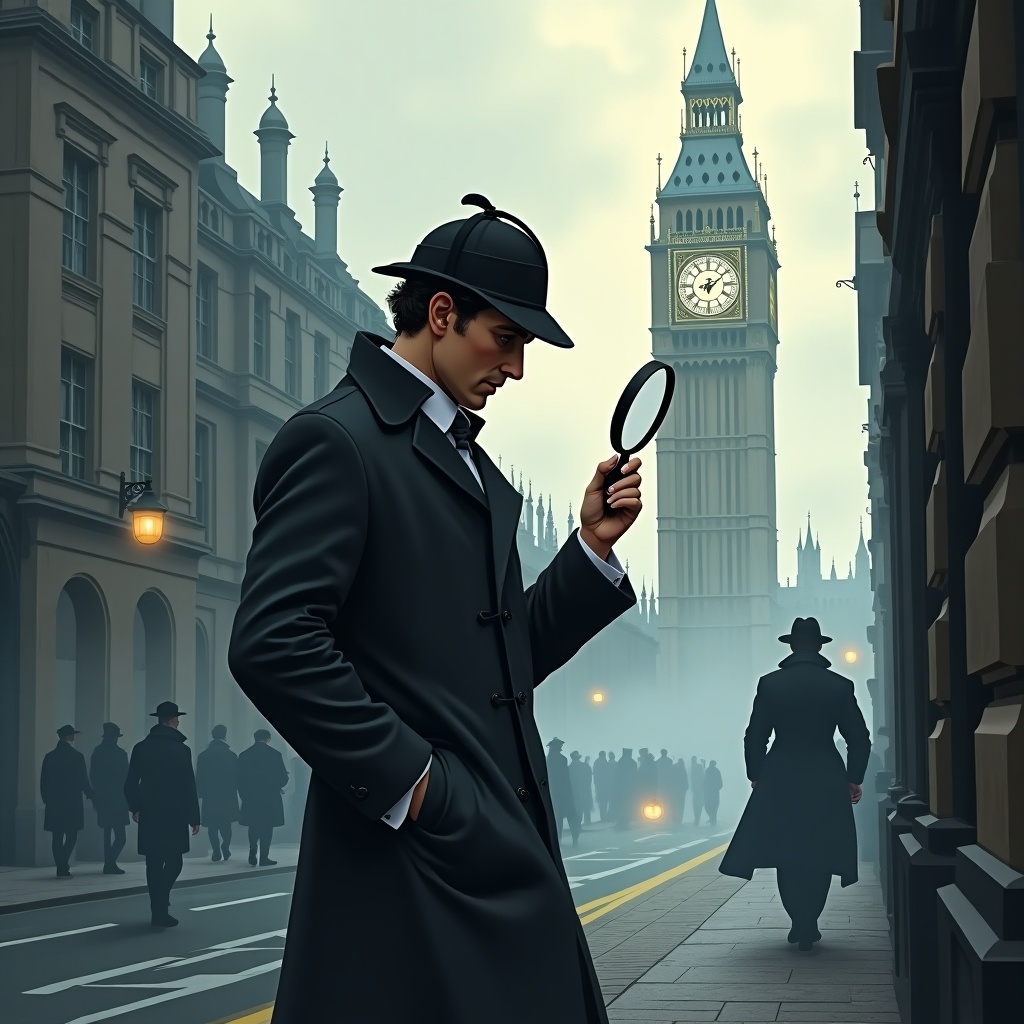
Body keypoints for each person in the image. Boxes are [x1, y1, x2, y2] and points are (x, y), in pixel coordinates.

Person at [228, 193, 643, 1024]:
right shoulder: (337, 442)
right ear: (442, 314)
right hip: (412, 858)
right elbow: (273, 640)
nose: (517, 368)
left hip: (491, 845)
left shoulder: (472, 471)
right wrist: (416, 785)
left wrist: (590, 551)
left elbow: (500, 656)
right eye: (507, 338)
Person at [719, 617, 871, 951]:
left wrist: (757, 775)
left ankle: (797, 922)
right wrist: (853, 779)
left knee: (788, 851)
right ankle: (810, 921)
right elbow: (859, 739)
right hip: (825, 777)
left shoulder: (771, 684)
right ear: (819, 646)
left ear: (791, 646)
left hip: (781, 776)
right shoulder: (839, 685)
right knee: (818, 850)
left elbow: (754, 736)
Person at [124, 701, 200, 928]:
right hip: (175, 814)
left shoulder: (141, 748)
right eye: (177, 718)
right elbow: (189, 786)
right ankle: (161, 904)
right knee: (175, 861)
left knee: (153, 863)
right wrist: (193, 817)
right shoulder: (182, 750)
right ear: (172, 720)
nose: (178, 721)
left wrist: (135, 807)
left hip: (150, 813)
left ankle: (158, 910)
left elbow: (129, 783)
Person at [40, 725, 92, 878]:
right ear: (70, 737)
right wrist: (91, 794)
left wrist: (46, 799)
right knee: (71, 835)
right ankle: (63, 863)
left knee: (57, 835)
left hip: (54, 803)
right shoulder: (77, 756)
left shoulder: (49, 756)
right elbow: (83, 780)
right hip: (72, 803)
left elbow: (44, 781)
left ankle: (60, 866)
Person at [237, 728, 289, 866]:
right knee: (267, 826)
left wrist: (244, 796)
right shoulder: (275, 754)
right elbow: (283, 777)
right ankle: (264, 857)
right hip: (270, 797)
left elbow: (239, 779)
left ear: (255, 738)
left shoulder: (244, 755)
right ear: (268, 739)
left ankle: (253, 849)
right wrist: (277, 785)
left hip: (251, 797)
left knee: (253, 825)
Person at [89, 722, 130, 874]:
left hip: (104, 799)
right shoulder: (121, 754)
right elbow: (127, 778)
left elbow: (93, 776)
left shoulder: (98, 752)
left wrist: (96, 796)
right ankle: (110, 862)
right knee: (120, 836)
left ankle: (109, 863)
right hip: (119, 799)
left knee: (107, 833)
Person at [195, 724, 239, 862]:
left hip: (210, 795)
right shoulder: (231, 755)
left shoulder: (203, 756)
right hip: (227, 796)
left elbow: (199, 777)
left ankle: (216, 852)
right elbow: (237, 776)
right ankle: (225, 847)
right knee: (226, 824)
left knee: (212, 826)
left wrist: (201, 794)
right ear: (225, 735)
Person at [613, 748, 638, 831]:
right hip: (630, 789)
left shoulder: (620, 762)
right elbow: (635, 776)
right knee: (628, 806)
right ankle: (625, 823)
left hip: (620, 789)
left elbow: (616, 776)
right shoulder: (632, 763)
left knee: (621, 806)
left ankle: (621, 822)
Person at [655, 748, 674, 825]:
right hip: (668, 784)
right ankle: (668, 817)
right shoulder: (669, 761)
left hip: (661, 783)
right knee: (668, 800)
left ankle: (663, 817)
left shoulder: (658, 761)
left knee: (662, 800)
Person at [704, 759, 723, 825]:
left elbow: (720, 783)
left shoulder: (716, 771)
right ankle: (712, 818)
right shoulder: (707, 771)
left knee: (714, 806)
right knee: (707, 806)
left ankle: (713, 819)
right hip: (709, 791)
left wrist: (716, 788)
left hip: (714, 791)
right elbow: (704, 781)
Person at [593, 750, 610, 821]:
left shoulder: (596, 762)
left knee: (601, 801)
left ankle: (603, 816)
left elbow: (595, 774)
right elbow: (607, 773)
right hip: (604, 785)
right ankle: (604, 817)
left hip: (599, 785)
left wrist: (596, 784)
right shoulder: (604, 762)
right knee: (604, 801)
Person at [673, 757, 689, 829]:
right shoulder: (683, 769)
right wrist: (685, 789)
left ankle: (675, 819)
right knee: (680, 806)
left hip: (676, 790)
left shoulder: (675, 768)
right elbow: (686, 782)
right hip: (681, 791)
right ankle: (678, 820)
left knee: (675, 805)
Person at [690, 755, 705, 825]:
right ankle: (697, 819)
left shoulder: (696, 767)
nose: (692, 761)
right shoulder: (693, 767)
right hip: (696, 789)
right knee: (696, 805)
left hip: (698, 789)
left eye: (693, 760)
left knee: (698, 804)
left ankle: (697, 819)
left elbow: (702, 774)